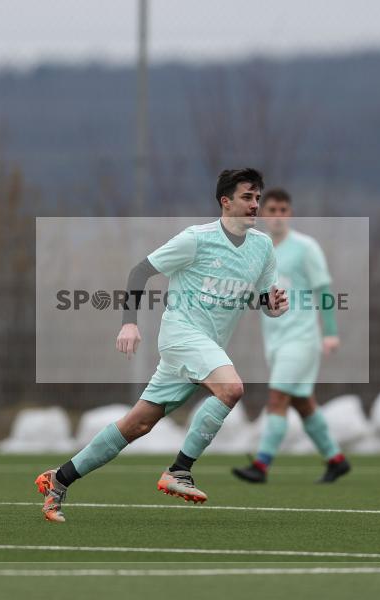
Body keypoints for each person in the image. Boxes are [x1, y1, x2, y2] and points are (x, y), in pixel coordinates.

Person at [35, 168, 288, 523]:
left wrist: (274, 306)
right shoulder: (196, 239)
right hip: (181, 336)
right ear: (225, 201)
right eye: (247, 197)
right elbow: (140, 272)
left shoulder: (262, 247)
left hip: (204, 347)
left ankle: (58, 480)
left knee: (137, 425)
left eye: (257, 197)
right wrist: (128, 323)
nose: (255, 205)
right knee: (231, 389)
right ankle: (179, 471)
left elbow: (266, 301)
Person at [232, 188, 350, 485]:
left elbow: (323, 290)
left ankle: (261, 465)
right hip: (275, 340)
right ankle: (335, 459)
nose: (277, 216)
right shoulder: (257, 249)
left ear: (290, 213)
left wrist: (331, 332)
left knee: (277, 397)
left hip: (301, 338)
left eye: (283, 210)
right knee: (301, 402)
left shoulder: (306, 247)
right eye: (271, 210)